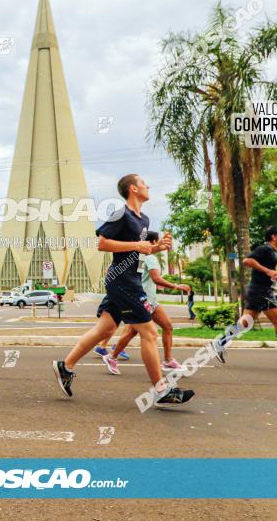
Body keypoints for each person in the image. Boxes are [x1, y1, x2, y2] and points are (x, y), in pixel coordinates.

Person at [52, 174, 195, 406]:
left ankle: (65, 366)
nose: (148, 186)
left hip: (130, 279)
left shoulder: (144, 219)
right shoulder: (122, 214)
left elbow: (140, 253)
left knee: (105, 329)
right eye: (144, 183)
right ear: (133, 188)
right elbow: (102, 243)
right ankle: (161, 390)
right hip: (123, 282)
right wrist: (136, 245)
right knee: (149, 333)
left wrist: (159, 247)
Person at [214, 226, 277, 369]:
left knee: (245, 323)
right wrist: (268, 271)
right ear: (274, 237)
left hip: (257, 290)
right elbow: (247, 261)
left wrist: (275, 273)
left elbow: (265, 272)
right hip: (262, 292)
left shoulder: (271, 252)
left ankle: (220, 343)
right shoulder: (265, 249)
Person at [101, 231, 191, 375]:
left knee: (166, 326)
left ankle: (168, 360)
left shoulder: (140, 256)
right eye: (159, 241)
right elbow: (156, 278)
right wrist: (177, 286)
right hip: (144, 300)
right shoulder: (150, 258)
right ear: (155, 242)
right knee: (134, 331)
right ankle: (112, 356)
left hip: (148, 299)